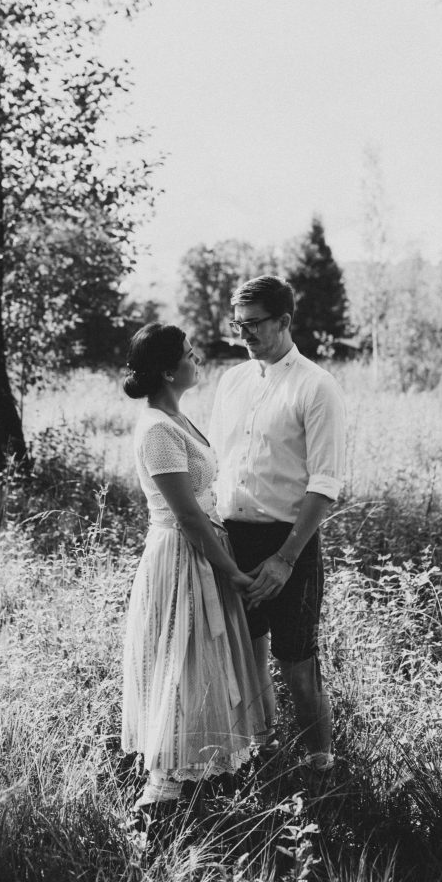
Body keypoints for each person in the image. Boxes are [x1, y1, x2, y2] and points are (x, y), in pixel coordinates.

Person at [121, 323, 267, 810]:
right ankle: (161, 788)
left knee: (200, 656)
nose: (197, 357)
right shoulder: (157, 430)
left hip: (201, 548)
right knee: (179, 656)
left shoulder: (178, 418)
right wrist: (233, 571)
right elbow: (187, 517)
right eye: (188, 353)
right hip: (182, 555)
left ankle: (194, 767)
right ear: (168, 370)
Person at [209, 275, 345, 790]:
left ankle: (321, 770)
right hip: (232, 542)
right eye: (237, 324)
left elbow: (325, 484)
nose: (244, 334)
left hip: (289, 545)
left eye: (255, 324)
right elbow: (220, 462)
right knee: (245, 659)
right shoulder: (232, 382)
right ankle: (260, 753)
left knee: (297, 664)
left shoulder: (315, 386)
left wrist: (285, 557)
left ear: (285, 321)